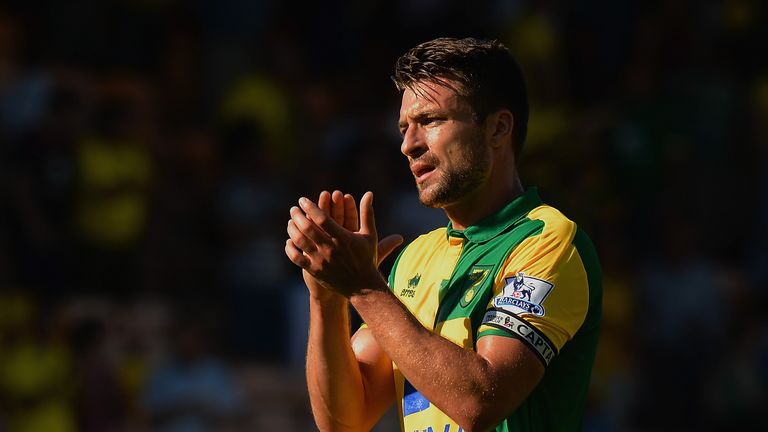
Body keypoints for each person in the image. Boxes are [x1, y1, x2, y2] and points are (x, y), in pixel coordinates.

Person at [284, 37, 602, 432]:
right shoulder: (415, 258)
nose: (408, 145)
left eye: (430, 121)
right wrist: (328, 298)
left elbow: (480, 402)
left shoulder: (547, 242)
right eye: (404, 128)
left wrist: (364, 287)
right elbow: (344, 421)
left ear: (498, 128)